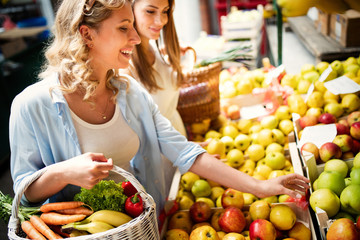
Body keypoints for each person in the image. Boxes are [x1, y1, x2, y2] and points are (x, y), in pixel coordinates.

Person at [9, 0, 309, 221]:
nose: (136, 38)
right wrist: (63, 173)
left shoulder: (130, 92)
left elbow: (183, 151)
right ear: (87, 34)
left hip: (144, 225)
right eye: (124, 28)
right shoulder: (31, 106)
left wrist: (258, 186)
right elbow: (23, 194)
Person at [121, 0, 187, 136]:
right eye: (150, 11)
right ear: (130, 10)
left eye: (165, 11)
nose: (161, 21)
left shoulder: (155, 52)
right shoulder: (125, 69)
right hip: (161, 153)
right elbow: (138, 133)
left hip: (180, 144)